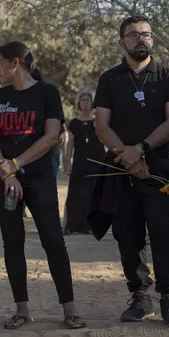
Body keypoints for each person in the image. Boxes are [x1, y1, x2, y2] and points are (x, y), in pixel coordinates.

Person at [91, 16, 169, 327]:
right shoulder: (109, 79)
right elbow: (101, 126)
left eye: (146, 34)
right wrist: (129, 158)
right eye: (133, 35)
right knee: (127, 235)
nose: (140, 39)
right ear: (122, 43)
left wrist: (141, 151)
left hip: (159, 168)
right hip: (121, 169)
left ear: (153, 40)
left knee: (164, 232)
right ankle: (138, 296)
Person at [0, 41, 86, 330]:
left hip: (38, 176)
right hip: (3, 178)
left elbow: (52, 136)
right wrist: (6, 172)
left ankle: (69, 311)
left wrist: (16, 165)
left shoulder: (47, 93)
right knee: (12, 242)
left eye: (0, 63)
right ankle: (22, 311)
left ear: (15, 63)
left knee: (53, 240)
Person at [63, 91, 105, 234]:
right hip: (80, 162)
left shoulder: (98, 122)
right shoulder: (73, 123)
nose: (85, 103)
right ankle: (72, 225)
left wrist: (98, 129)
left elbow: (103, 141)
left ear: (91, 102)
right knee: (76, 192)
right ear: (79, 103)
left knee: (95, 192)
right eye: (83, 100)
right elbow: (69, 145)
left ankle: (95, 225)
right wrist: (68, 163)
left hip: (97, 161)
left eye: (88, 100)